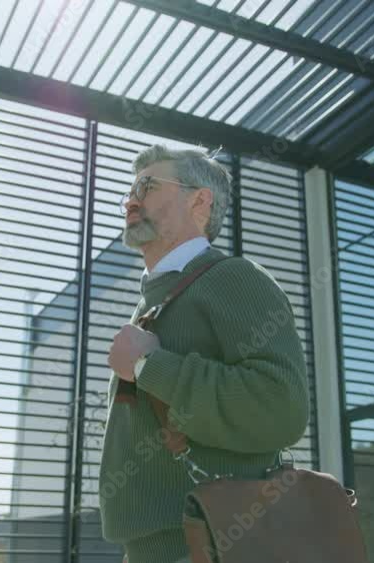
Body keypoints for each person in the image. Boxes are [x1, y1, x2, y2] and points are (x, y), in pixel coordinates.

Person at [100, 144, 309, 563]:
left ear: (199, 201)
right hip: (144, 549)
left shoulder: (235, 278)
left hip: (210, 544)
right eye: (130, 191)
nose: (131, 200)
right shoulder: (149, 303)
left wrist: (147, 364)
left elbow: (283, 407)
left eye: (148, 186)